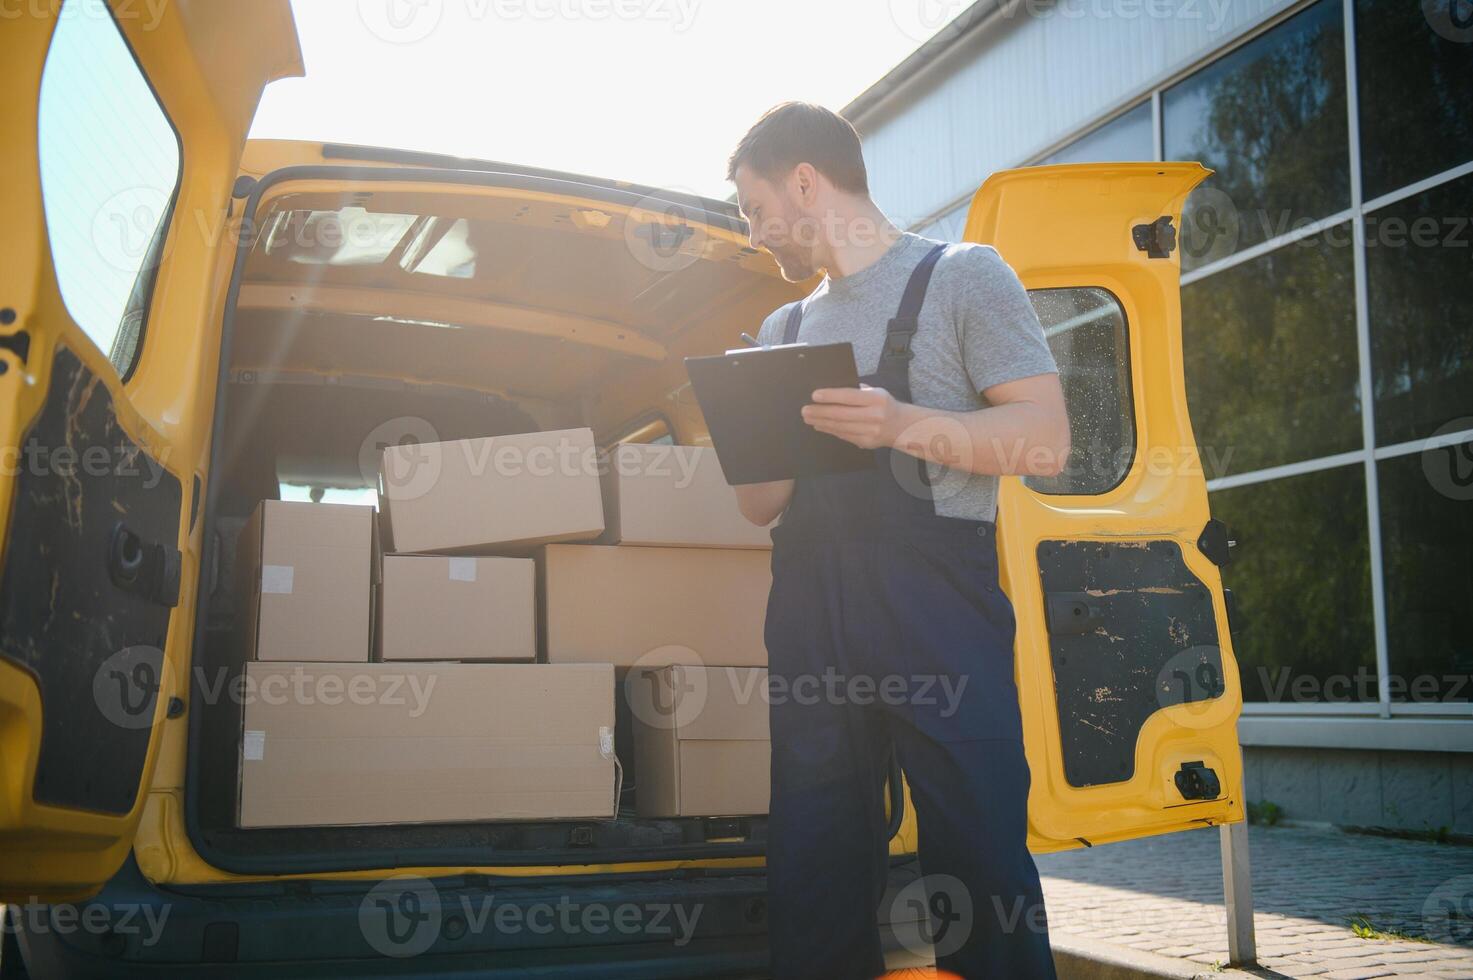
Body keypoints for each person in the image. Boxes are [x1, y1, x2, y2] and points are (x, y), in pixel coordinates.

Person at [728, 102, 1069, 979]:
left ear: (806, 180)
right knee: (813, 855)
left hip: (937, 607)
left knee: (978, 850)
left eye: (755, 208)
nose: (756, 233)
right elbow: (758, 507)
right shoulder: (781, 332)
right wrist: (739, 425)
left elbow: (1044, 440)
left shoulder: (963, 277)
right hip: (811, 611)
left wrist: (900, 423)